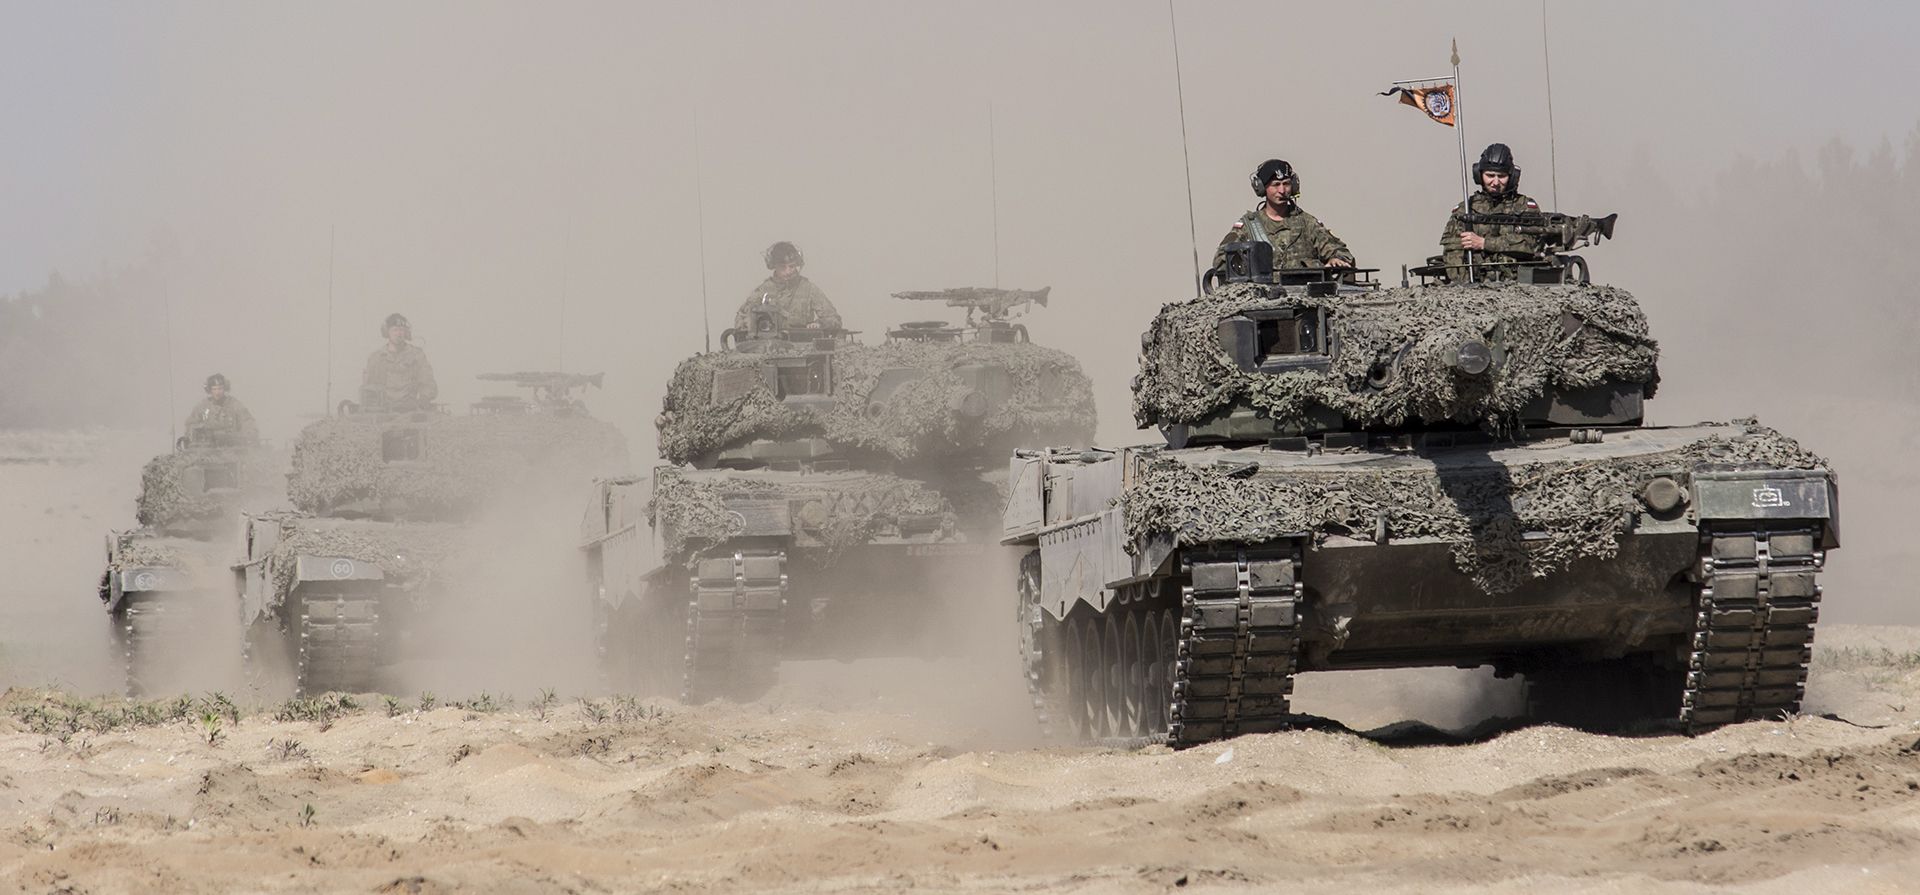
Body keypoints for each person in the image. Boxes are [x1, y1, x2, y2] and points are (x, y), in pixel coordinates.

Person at [1213, 159, 1354, 272]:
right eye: (1275, 184)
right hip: (1262, 299)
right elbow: (1221, 261)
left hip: (1305, 296)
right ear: (1262, 188)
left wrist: (1336, 260)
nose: (1282, 190)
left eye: (1286, 184)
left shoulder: (1307, 223)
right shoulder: (1248, 227)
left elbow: (1341, 252)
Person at [1440, 143, 1546, 282]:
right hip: (1474, 284)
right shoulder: (1465, 209)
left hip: (1517, 283)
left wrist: (1484, 243)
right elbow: (1452, 252)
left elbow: (1531, 244)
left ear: (1512, 177)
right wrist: (1466, 285)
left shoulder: (1525, 207)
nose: (1495, 182)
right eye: (1490, 175)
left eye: (1501, 176)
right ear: (1479, 175)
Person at [733, 241, 842, 334]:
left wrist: (819, 324)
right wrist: (754, 324)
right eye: (782, 267)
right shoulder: (763, 291)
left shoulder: (808, 289)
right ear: (774, 266)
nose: (788, 271)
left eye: (792, 266)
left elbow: (834, 318)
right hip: (768, 346)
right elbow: (740, 321)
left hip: (801, 345)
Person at [361, 312, 438, 411]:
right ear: (386, 332)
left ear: (406, 332)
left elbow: (428, 381)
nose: (399, 333)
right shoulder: (376, 358)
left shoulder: (417, 355)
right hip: (383, 411)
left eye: (402, 330)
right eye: (395, 330)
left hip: (410, 410)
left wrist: (424, 398)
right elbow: (368, 387)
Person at [183, 373, 258, 442]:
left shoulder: (235, 405)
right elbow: (190, 424)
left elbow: (247, 421)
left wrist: (248, 434)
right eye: (214, 389)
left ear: (225, 389)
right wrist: (200, 428)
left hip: (232, 446)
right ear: (209, 390)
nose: (217, 392)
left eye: (220, 388)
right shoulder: (202, 407)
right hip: (207, 447)